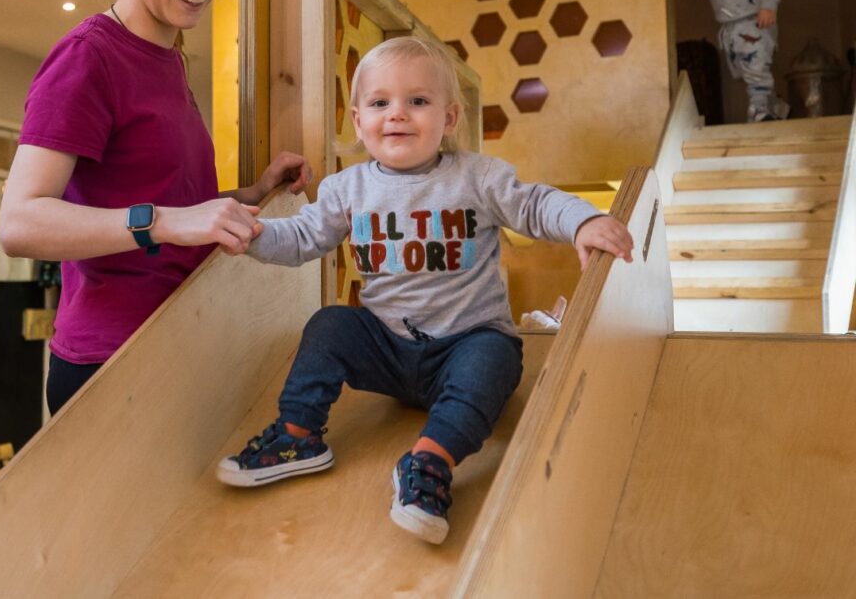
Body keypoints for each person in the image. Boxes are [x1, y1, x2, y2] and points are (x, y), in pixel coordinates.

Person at [215, 37, 634, 544]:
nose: (397, 115)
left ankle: (428, 462)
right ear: (357, 118)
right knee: (330, 324)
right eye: (379, 103)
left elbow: (536, 204)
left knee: (499, 358)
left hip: (465, 345)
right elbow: (301, 237)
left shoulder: (477, 178)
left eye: (417, 101)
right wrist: (254, 235)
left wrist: (583, 221)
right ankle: (298, 438)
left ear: (449, 118)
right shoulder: (347, 189)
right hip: (388, 351)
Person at [0, 0, 309, 414]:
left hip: (178, 338)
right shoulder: (90, 58)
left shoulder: (166, 53)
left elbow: (158, 196)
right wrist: (164, 222)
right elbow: (20, 224)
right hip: (109, 362)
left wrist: (248, 193)